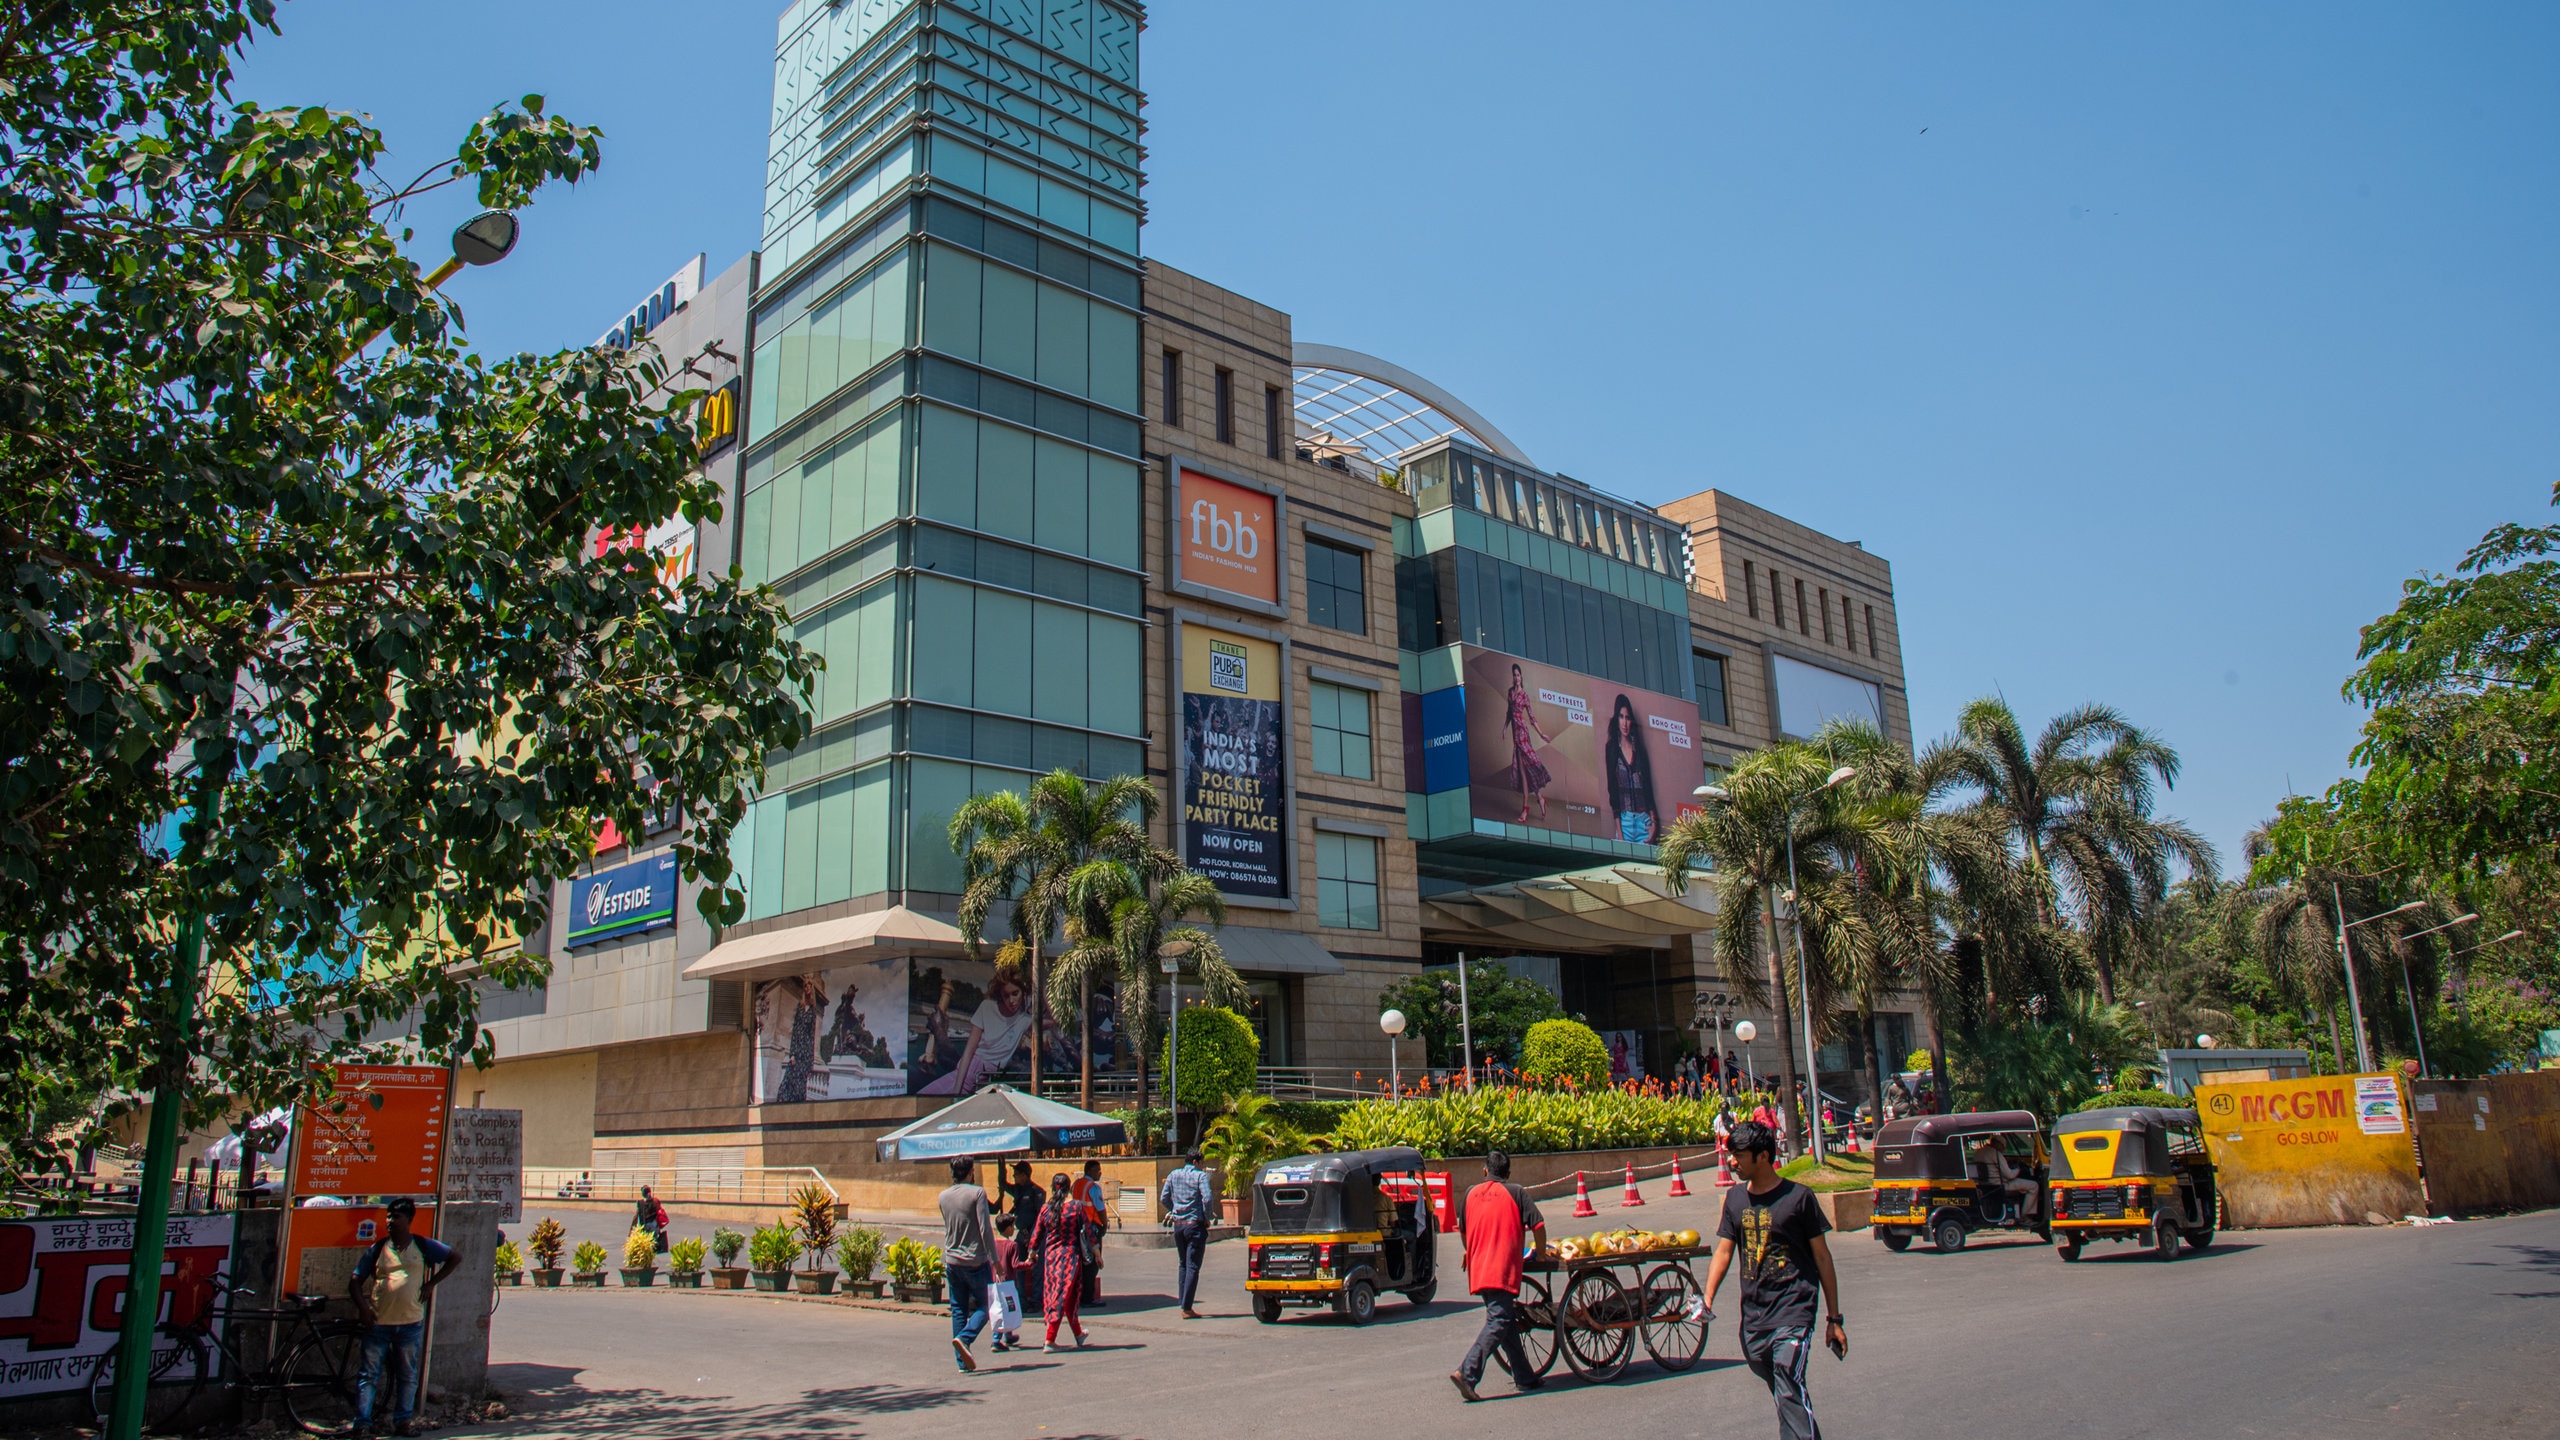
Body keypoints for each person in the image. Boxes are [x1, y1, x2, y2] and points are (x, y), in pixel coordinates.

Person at [1703, 1120, 1846, 1440]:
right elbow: (1724, 1252)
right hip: (1754, 1318)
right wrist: (1708, 1297)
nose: (1732, 1162)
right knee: (1786, 1392)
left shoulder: (1799, 1198)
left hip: (1794, 1310)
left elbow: (1822, 1258)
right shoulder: (1735, 1200)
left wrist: (1834, 1319)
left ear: (1764, 1156)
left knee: (1787, 1379)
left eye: (1739, 1155)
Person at [348, 1197, 457, 1437]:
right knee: (369, 1375)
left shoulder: (422, 1245)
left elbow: (454, 1257)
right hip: (378, 1323)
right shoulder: (378, 1248)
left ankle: (403, 1422)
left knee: (407, 1376)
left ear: (408, 1220)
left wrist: (431, 1284)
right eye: (388, 1217)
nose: (390, 1221)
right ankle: (362, 1424)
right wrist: (363, 1309)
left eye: (395, 1217)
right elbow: (355, 1281)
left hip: (410, 1324)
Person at [1449, 1150, 1547, 1402]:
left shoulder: (1470, 1193)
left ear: (1485, 1170)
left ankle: (1525, 1377)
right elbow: (1538, 1225)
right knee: (1499, 1320)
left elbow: (1464, 1232)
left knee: (1506, 1321)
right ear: (1508, 1173)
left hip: (1479, 1269)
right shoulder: (1516, 1192)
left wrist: (1470, 1251)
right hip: (1501, 1269)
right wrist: (1542, 1253)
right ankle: (1467, 1373)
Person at [920, 967, 1035, 1095]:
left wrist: (1041, 990)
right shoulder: (987, 1007)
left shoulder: (1025, 1020)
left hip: (985, 1079)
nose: (1011, 1000)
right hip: (968, 1073)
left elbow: (1052, 1020)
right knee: (923, 1098)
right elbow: (968, 1052)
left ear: (1023, 992)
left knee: (928, 1100)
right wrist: (957, 1091)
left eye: (1015, 993)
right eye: (1006, 995)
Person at [939, 1158, 994, 1372]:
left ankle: (962, 1362)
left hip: (952, 1260)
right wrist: (996, 1260)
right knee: (986, 1306)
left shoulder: (943, 1196)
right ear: (971, 1172)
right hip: (975, 1260)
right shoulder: (977, 1193)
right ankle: (965, 1338)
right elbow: (985, 1229)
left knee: (958, 1309)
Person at [1029, 1172, 1091, 1351]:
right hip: (1070, 1256)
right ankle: (1050, 1339)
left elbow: (1037, 1233)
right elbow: (1088, 1231)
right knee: (1062, 1295)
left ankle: (1078, 1334)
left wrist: (1032, 1253)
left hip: (1051, 1257)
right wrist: (1096, 1253)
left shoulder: (1046, 1208)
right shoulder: (1076, 1207)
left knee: (1065, 1294)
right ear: (1069, 1187)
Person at [1160, 1145, 1214, 1319]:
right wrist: (1206, 1217)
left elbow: (1163, 1198)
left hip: (1179, 1225)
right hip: (1195, 1225)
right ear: (1195, 1162)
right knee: (1193, 1266)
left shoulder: (1173, 1175)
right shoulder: (1200, 1176)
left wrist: (1175, 1209)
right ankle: (1187, 1307)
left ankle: (1183, 1302)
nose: (1202, 1166)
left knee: (1183, 1264)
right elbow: (1207, 1198)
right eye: (1201, 1163)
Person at [1503, 663, 1556, 824]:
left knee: (1528, 768)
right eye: (1514, 675)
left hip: (1523, 734)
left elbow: (1532, 718)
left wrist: (1541, 734)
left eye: (1518, 675)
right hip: (1515, 735)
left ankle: (1525, 808)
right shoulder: (1510, 692)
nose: (1516, 678)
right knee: (1524, 772)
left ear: (1521, 677)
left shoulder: (1524, 696)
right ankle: (1540, 799)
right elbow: (1509, 713)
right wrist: (1504, 728)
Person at [1604, 693, 1660, 843]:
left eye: (1628, 718)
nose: (1624, 723)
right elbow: (1612, 791)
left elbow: (1648, 789)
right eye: (1621, 717)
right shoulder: (1611, 748)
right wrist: (1619, 833)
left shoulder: (1640, 750)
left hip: (1644, 822)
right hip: (1625, 823)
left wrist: (1654, 824)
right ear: (1616, 719)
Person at [1002, 1161, 1046, 1315]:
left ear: (1024, 1175)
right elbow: (1003, 1184)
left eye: (1016, 1174)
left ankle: (1036, 1301)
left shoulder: (1037, 1192)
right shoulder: (1018, 1190)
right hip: (1021, 1235)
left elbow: (1039, 1217)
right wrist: (1001, 1165)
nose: (1014, 1177)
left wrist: (1033, 1236)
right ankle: (1021, 1301)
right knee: (1017, 1267)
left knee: (1036, 1269)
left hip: (1034, 1235)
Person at [1970, 1136, 2039, 1218]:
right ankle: (2025, 1216)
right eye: (2003, 1147)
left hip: (1984, 1185)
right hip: (2000, 1185)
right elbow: (2010, 1175)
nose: (2003, 1150)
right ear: (1999, 1144)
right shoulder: (1996, 1154)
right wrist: (2018, 1169)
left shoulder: (1978, 1152)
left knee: (2024, 1187)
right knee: (2034, 1186)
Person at [1074, 1159, 1110, 1306]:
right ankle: (1088, 1298)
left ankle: (1080, 1296)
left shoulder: (1077, 1184)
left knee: (1081, 1263)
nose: (1100, 1173)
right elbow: (1100, 1209)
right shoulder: (1093, 1188)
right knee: (1093, 1263)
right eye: (1097, 1170)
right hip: (1092, 1227)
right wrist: (1104, 1225)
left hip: (1077, 1226)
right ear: (1089, 1171)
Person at [989, 1213, 1025, 1352]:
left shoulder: (992, 1244)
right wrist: (1029, 1263)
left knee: (1001, 1308)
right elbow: (1015, 1265)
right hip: (1008, 1283)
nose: (1014, 1228)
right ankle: (996, 1339)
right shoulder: (1012, 1245)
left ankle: (1008, 1335)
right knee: (1005, 1309)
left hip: (994, 1281)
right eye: (1012, 1226)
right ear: (1008, 1228)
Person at [634, 1186, 669, 1255]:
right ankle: (652, 1252)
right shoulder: (655, 1201)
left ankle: (649, 1254)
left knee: (647, 1242)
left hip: (646, 1225)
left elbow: (639, 1216)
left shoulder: (640, 1203)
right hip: (654, 1224)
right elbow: (660, 1211)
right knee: (653, 1241)